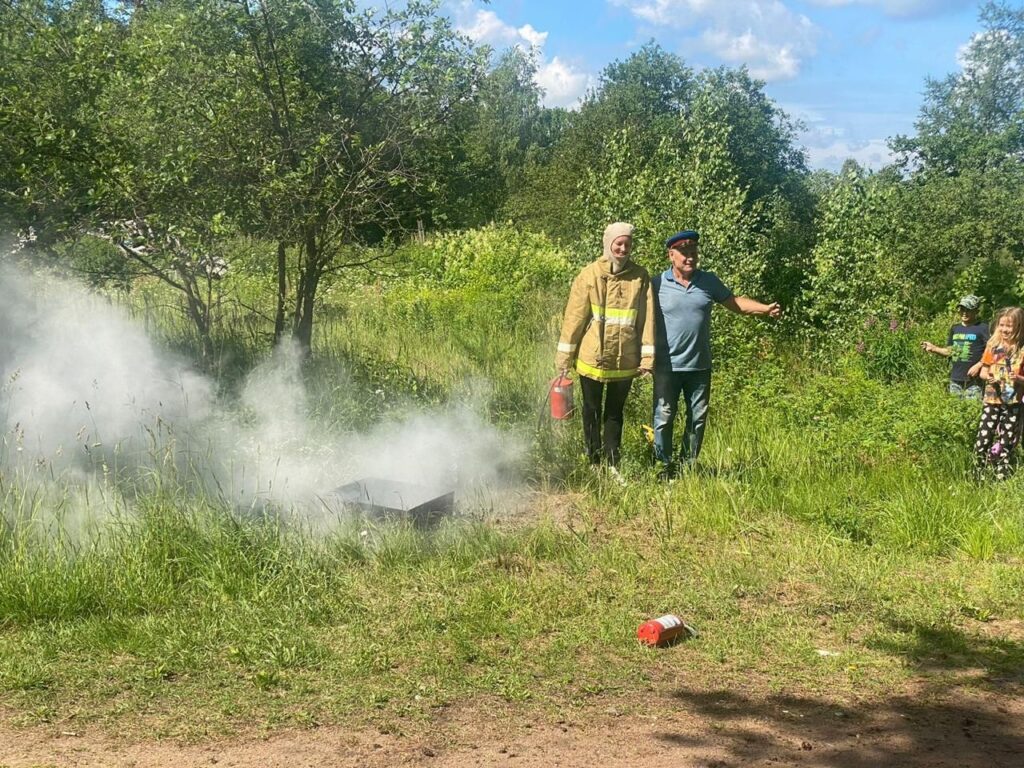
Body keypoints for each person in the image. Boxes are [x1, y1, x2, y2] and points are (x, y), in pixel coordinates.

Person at [652, 230, 781, 476]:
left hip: (700, 366)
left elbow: (736, 303)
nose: (690, 257)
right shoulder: (656, 284)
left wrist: (764, 309)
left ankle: (687, 468)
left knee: (697, 419)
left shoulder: (708, 281)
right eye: (684, 253)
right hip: (666, 366)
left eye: (693, 252)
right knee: (664, 416)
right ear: (671, 255)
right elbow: (638, 316)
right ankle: (663, 467)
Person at [556, 222, 654, 474]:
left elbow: (648, 319)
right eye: (618, 244)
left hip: (625, 357)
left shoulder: (640, 277)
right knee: (591, 409)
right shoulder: (589, 275)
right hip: (592, 356)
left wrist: (647, 358)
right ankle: (593, 460)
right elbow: (574, 318)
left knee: (615, 412)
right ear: (608, 244)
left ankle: (612, 462)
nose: (623, 249)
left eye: (627, 244)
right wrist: (564, 358)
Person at [973, 307, 1024, 480]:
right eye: (1001, 325)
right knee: (983, 439)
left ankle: (1002, 477)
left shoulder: (1021, 349)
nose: (1004, 329)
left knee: (1007, 442)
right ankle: (977, 475)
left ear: (1019, 326)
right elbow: (983, 372)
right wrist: (989, 378)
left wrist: (1018, 378)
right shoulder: (993, 346)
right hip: (991, 400)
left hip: (1013, 402)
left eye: (1009, 326)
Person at [921, 295, 989, 398]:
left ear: (976, 311)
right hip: (955, 379)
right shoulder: (955, 328)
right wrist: (933, 348)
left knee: (971, 407)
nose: (964, 313)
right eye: (962, 309)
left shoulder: (983, 328)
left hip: (974, 381)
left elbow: (991, 350)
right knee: (955, 406)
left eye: (968, 310)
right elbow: (950, 351)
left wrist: (979, 365)